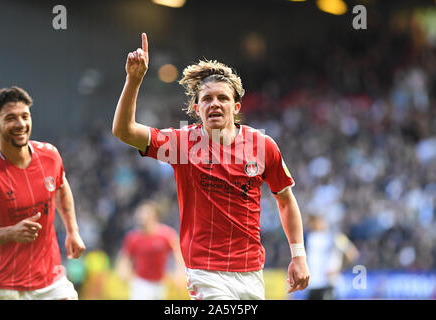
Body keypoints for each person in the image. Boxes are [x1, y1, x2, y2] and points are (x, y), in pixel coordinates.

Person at [112, 33, 310, 300]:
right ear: (196, 108)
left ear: (236, 106)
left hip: (251, 272)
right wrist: (133, 81)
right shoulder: (182, 144)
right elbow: (124, 131)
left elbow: (285, 200)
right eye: (206, 99)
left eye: (222, 98)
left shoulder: (263, 146)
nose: (214, 103)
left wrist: (298, 256)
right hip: (205, 273)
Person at [0, 86, 86, 300]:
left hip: (50, 280)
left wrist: (72, 230)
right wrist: (11, 232)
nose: (20, 124)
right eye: (11, 118)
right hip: (3, 286)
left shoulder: (49, 155)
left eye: (25, 116)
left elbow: (60, 187)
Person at [116, 200, 184, 300]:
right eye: (140, 214)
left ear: (154, 216)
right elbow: (125, 257)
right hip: (141, 283)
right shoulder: (133, 237)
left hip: (161, 283)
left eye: (145, 214)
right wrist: (123, 270)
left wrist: (179, 272)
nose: (142, 217)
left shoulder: (166, 234)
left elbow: (178, 253)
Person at [305, 214, 359, 300]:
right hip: (313, 284)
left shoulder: (335, 236)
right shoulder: (311, 237)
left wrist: (338, 269)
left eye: (316, 221)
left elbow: (352, 252)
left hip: (328, 283)